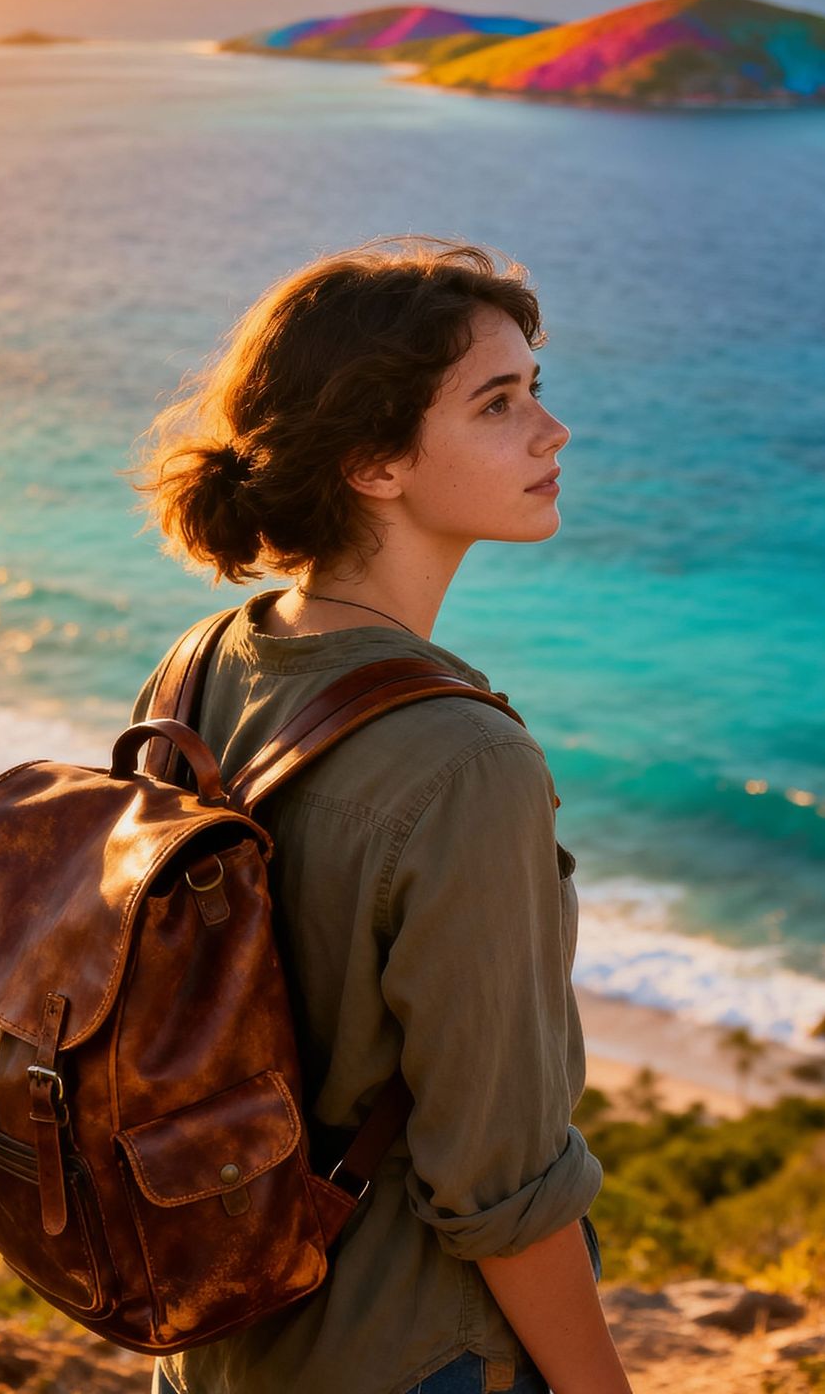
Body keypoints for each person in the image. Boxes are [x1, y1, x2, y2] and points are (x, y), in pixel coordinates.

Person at [127, 237, 632, 1394]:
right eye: (498, 404)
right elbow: (497, 1183)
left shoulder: (203, 663)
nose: (552, 434)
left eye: (534, 393)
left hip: (216, 1331)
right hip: (409, 1352)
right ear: (373, 462)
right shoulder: (465, 761)